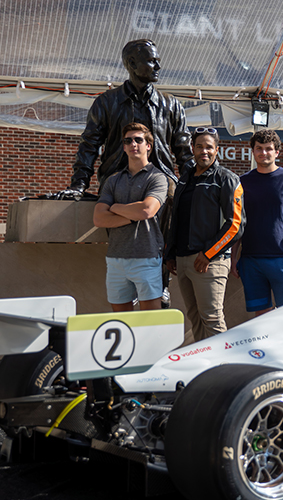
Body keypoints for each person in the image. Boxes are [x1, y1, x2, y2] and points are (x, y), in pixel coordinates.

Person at [60, 39, 191, 197]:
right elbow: (89, 146)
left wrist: (195, 184)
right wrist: (78, 184)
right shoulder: (106, 102)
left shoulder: (171, 105)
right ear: (132, 63)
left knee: (170, 198)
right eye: (151, 61)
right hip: (117, 175)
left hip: (161, 176)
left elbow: (184, 151)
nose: (158, 67)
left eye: (158, 61)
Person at [164, 127, 244, 340]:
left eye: (209, 147)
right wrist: (171, 254)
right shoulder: (185, 179)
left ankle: (225, 370)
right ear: (193, 149)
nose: (204, 151)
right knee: (195, 318)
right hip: (182, 260)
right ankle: (204, 367)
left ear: (217, 150)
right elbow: (177, 219)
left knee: (212, 318)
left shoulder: (226, 178)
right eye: (199, 146)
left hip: (210, 262)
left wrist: (208, 254)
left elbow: (235, 225)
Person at [93, 123, 168, 311]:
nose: (133, 144)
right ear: (124, 147)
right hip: (115, 259)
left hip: (146, 257)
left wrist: (116, 207)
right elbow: (99, 219)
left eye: (138, 140)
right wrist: (132, 215)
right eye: (128, 140)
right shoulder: (113, 180)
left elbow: (147, 211)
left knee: (150, 322)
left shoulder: (157, 177)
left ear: (148, 145)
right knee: (121, 323)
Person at [232, 129, 283, 315]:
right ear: (253, 151)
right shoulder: (242, 182)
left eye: (268, 149)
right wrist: (234, 257)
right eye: (259, 148)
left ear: (277, 152)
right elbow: (237, 222)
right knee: (260, 317)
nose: (263, 153)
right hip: (250, 261)